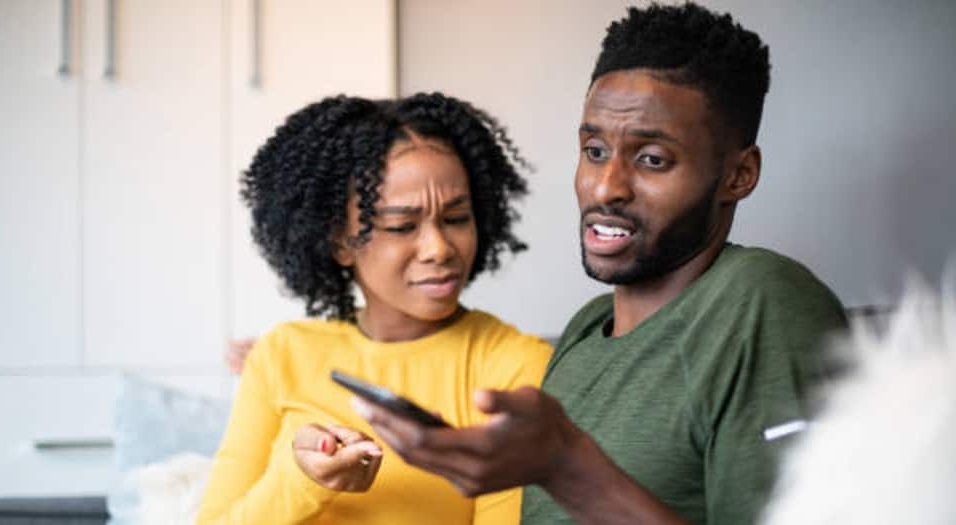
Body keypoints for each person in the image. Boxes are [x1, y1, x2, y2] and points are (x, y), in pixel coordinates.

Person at [350, 3, 847, 525]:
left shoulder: (763, 303)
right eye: (593, 150)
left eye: (652, 159)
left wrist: (567, 466)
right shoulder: (586, 332)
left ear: (739, 175)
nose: (606, 186)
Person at [195, 93, 552, 525]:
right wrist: (302, 477)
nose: (439, 248)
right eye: (402, 226)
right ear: (340, 241)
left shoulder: (516, 367)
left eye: (457, 218)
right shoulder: (281, 354)